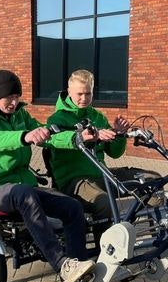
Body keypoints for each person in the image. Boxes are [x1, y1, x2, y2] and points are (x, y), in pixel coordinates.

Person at [0, 69, 95, 282]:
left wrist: (76, 137)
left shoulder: (19, 115)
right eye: (9, 98)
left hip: (23, 186)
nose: (14, 103)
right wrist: (24, 136)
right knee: (23, 193)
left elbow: (46, 135)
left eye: (17, 97)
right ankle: (63, 265)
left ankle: (79, 266)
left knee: (72, 206)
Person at [47, 69, 161, 224]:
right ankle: (108, 245)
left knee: (153, 181)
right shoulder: (57, 119)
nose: (84, 98)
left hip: (101, 175)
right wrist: (84, 136)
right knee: (106, 204)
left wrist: (119, 134)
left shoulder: (97, 116)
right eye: (79, 94)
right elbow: (55, 139)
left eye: (88, 93)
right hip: (75, 181)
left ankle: (147, 229)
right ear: (69, 92)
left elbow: (114, 153)